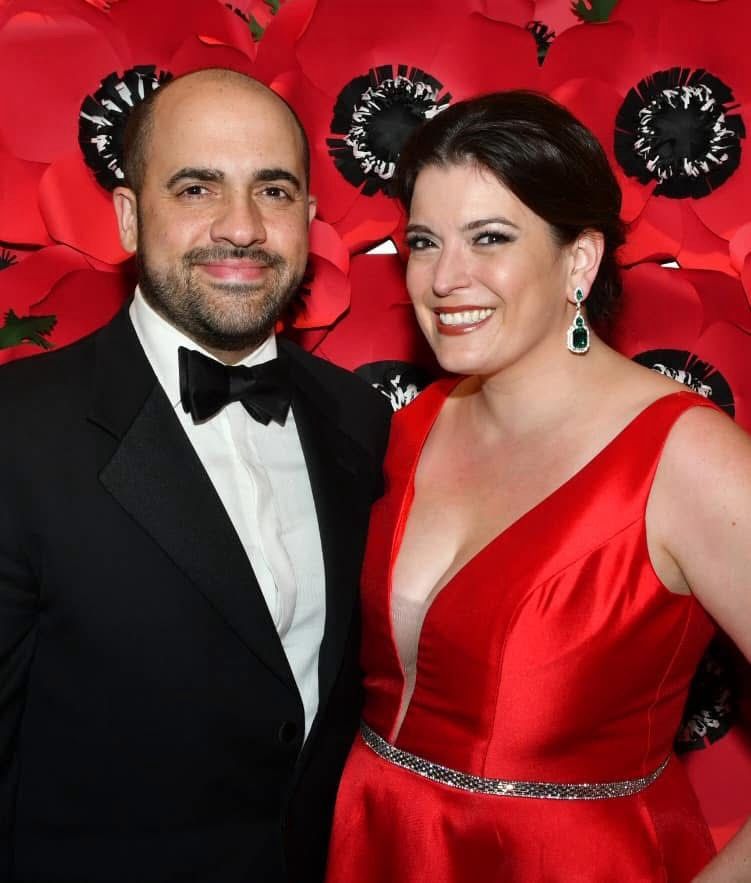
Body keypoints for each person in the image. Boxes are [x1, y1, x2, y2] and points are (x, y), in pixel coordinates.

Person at [325, 91, 751, 882]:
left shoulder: (687, 458)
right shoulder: (410, 426)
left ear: (579, 261)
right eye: (423, 241)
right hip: (375, 842)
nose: (445, 277)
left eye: (489, 237)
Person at [0, 68, 390, 883]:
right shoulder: (17, 431)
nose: (241, 227)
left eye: (273, 190)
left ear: (310, 219)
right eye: (196, 188)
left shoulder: (359, 418)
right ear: (128, 215)